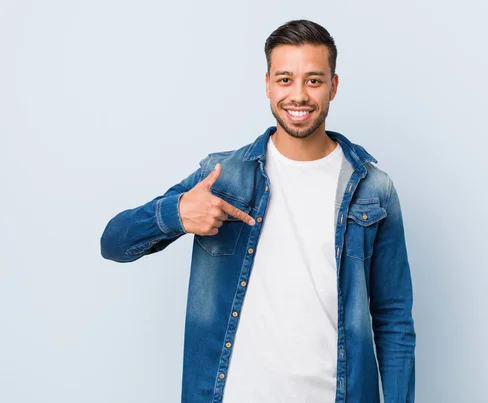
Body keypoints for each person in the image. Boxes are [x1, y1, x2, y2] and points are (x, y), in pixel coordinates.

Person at [101, 19, 415, 403]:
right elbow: (113, 243)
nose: (298, 95)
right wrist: (177, 213)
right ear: (267, 84)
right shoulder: (223, 177)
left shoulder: (373, 188)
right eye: (285, 79)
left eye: (313, 80)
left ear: (333, 86)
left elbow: (394, 320)